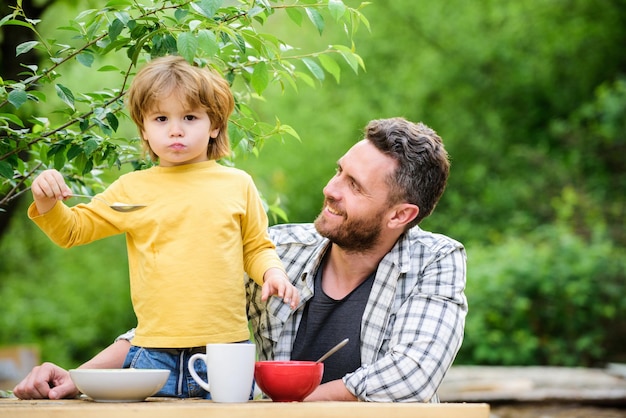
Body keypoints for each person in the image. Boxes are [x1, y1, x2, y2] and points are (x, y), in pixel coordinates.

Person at [15, 117, 467, 403]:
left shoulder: (436, 261)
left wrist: (289, 409)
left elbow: (410, 376)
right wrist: (79, 378)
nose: (331, 189)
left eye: (355, 186)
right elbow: (180, 319)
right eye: (339, 172)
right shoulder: (277, 251)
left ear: (400, 215)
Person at [24, 55, 299, 399]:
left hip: (224, 353)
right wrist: (48, 202)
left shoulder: (237, 184)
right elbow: (73, 230)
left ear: (214, 125)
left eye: (189, 117)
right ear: (143, 128)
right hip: (151, 356)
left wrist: (273, 274)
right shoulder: (132, 188)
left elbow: (256, 248)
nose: (175, 129)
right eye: (161, 118)